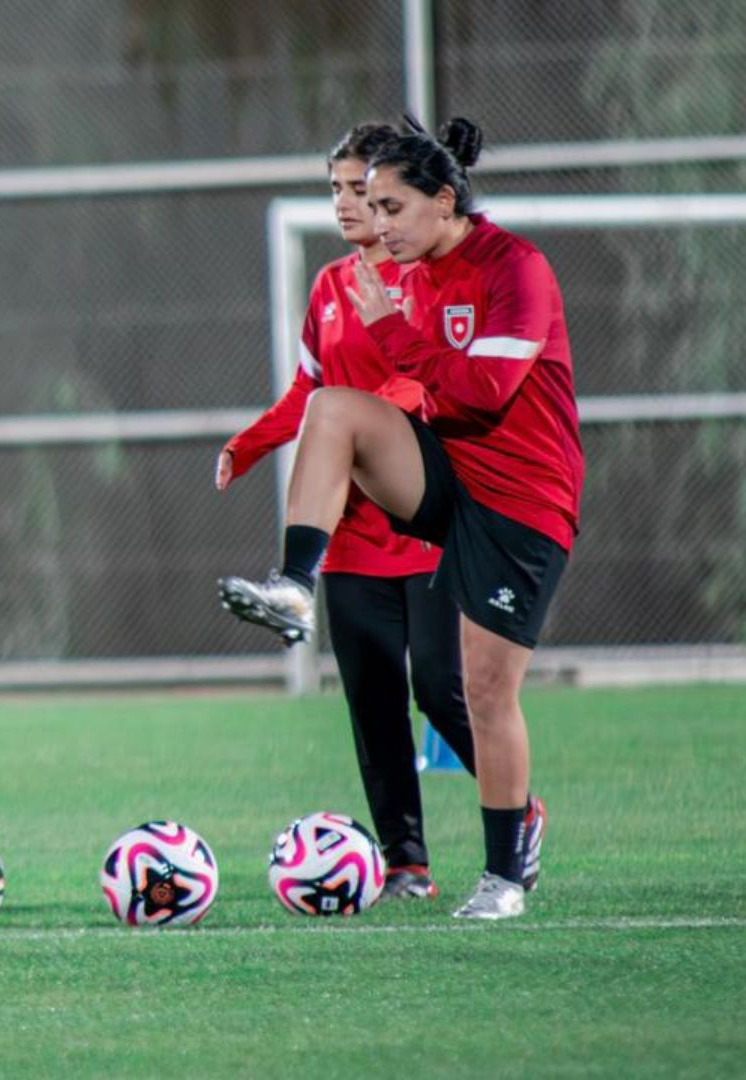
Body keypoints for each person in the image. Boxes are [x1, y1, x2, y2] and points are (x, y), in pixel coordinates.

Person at [219, 116, 580, 920]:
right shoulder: (391, 276)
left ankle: (505, 876)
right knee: (334, 411)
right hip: (452, 481)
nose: (377, 225)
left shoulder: (515, 268)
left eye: (391, 207)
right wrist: (251, 441)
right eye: (366, 205)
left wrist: (390, 328)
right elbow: (343, 387)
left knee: (483, 694)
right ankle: (293, 584)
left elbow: (480, 394)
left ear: (443, 199)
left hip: (522, 502)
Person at [217, 123, 476, 900]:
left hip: (424, 529)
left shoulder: (428, 276)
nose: (346, 203)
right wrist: (253, 442)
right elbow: (309, 393)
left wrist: (367, 424)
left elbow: (426, 389)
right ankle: (406, 864)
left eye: (359, 189)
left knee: (439, 687)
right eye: (335, 188)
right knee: (371, 702)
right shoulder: (331, 286)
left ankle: (514, 803)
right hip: (356, 538)